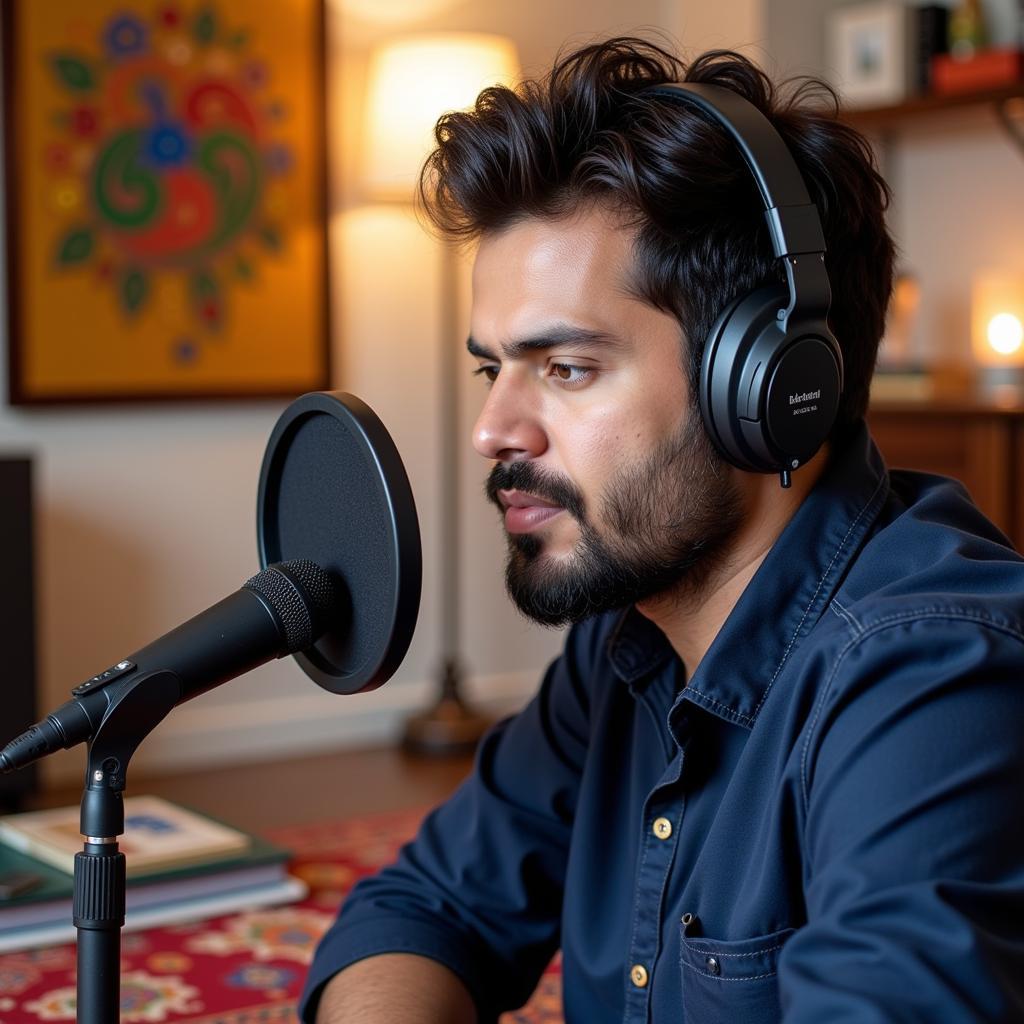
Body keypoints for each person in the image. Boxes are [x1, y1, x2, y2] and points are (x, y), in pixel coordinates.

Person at [302, 37, 1024, 1023]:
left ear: (769, 387)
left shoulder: (934, 677)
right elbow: (425, 908)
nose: (492, 430)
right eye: (492, 369)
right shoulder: (625, 643)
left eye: (563, 368)